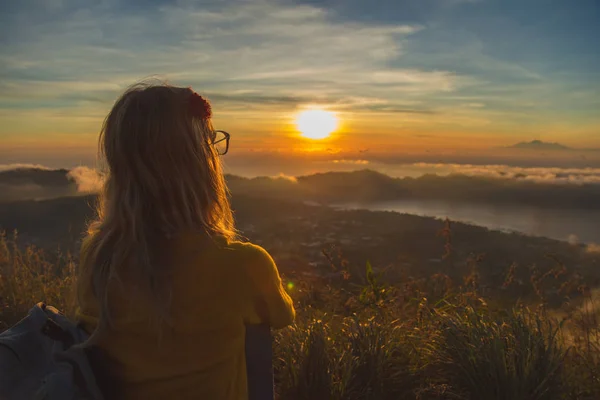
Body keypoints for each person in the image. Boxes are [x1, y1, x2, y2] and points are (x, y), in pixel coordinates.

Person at [75, 82, 296, 400]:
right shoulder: (245, 265)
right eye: (211, 143)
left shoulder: (97, 258)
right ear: (199, 164)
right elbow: (280, 318)